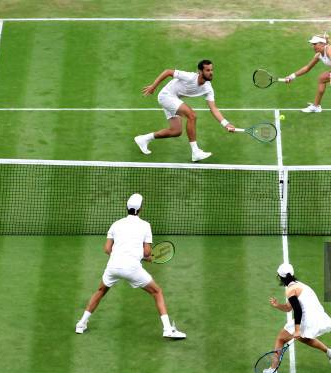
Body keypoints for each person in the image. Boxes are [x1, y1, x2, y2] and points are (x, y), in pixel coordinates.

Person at [75, 193, 186, 339]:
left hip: (113, 266)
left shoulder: (116, 224)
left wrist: (122, 255)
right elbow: (147, 252)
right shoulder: (146, 225)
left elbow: (107, 249)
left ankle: (81, 324)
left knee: (100, 291)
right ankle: (167, 329)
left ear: (127, 208)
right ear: (140, 209)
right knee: (157, 292)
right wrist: (146, 258)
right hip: (132, 268)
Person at [134, 59, 236, 162]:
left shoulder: (208, 88)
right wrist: (153, 86)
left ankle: (143, 139)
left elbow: (213, 108)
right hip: (166, 96)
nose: (211, 73)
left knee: (176, 131)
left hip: (174, 99)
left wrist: (226, 124)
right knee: (192, 115)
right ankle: (195, 152)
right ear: (200, 71)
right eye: (208, 70)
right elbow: (168, 71)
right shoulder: (190, 77)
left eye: (212, 70)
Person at [265, 263, 331, 373]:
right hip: (317, 317)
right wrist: (278, 305)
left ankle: (273, 370)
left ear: (281, 277)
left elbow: (297, 310)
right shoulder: (301, 286)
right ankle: (330, 352)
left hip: (307, 318)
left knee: (281, 338)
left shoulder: (290, 290)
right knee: (305, 338)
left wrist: (298, 330)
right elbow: (289, 308)